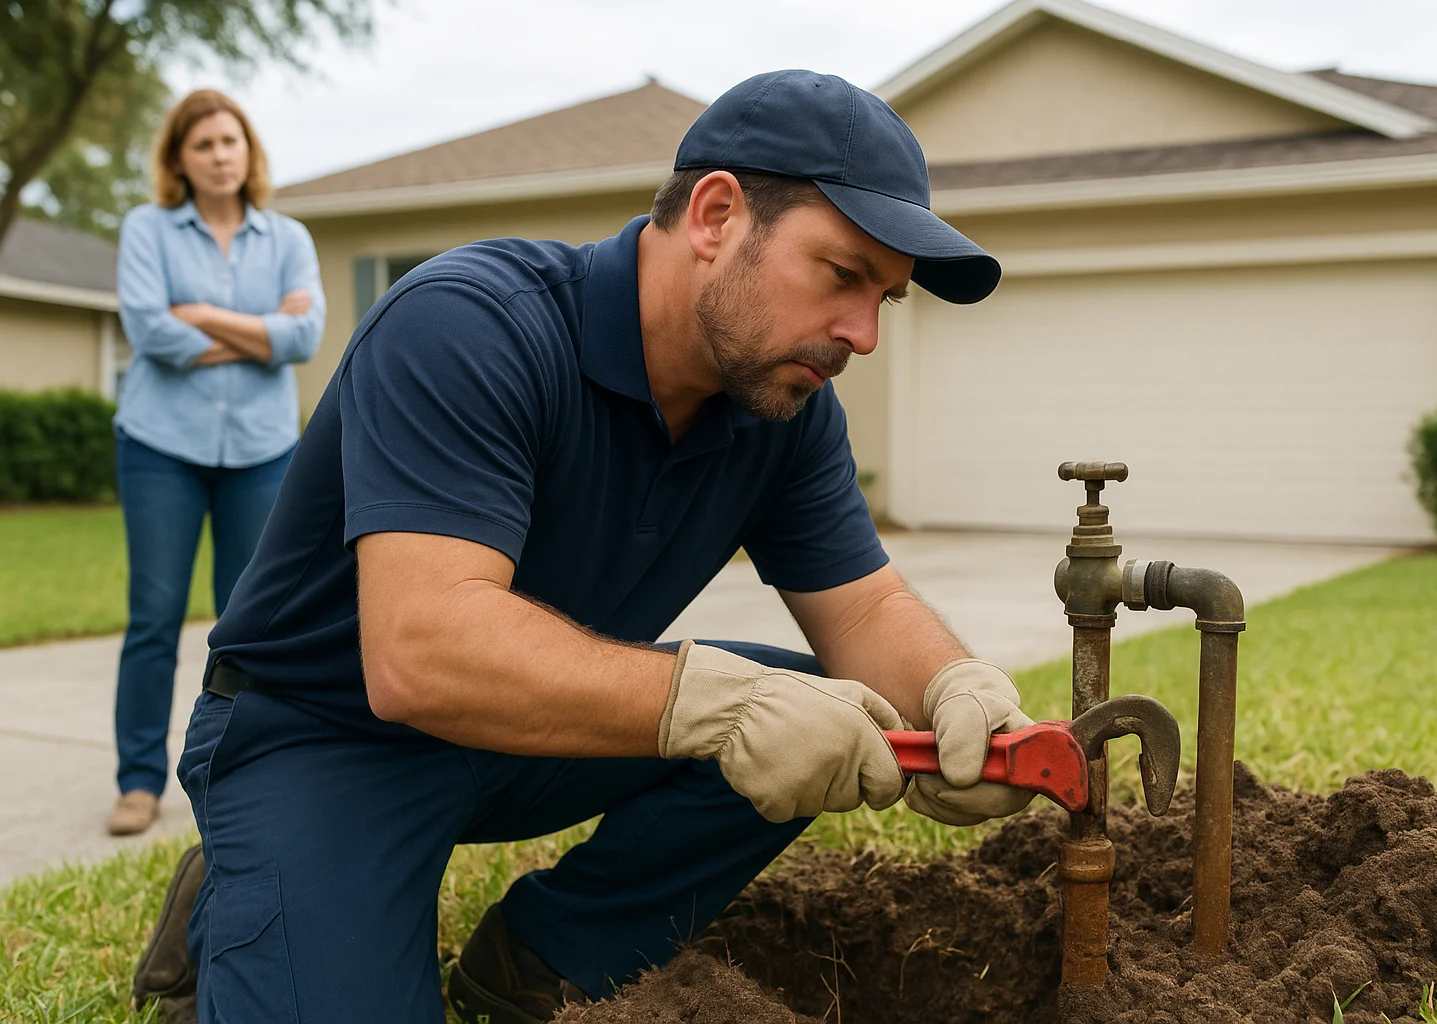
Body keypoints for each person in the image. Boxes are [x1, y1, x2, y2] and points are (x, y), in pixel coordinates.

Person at [140, 70, 1035, 1023]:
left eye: (886, 300)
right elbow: (420, 652)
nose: (860, 333)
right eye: (844, 274)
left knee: (818, 704)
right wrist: (716, 706)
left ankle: (540, 960)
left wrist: (951, 688)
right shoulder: (471, 325)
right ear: (717, 215)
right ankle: (257, 875)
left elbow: (861, 609)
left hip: (528, 730)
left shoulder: (783, 405)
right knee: (750, 706)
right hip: (322, 734)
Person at [108, 89, 325, 837]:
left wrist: (197, 315)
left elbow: (305, 340)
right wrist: (262, 331)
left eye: (230, 140)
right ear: (179, 160)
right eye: (202, 144)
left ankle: (243, 770)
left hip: (262, 453)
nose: (219, 154)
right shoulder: (147, 230)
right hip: (159, 447)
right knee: (154, 615)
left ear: (248, 150)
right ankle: (138, 780)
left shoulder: (288, 237)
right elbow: (149, 333)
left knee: (251, 619)